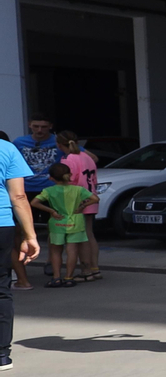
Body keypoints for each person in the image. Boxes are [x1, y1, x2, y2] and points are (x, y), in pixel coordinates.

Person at [1, 135, 42, 371]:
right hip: (2, 223)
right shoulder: (7, 148)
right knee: (1, 288)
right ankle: (1, 355)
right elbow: (18, 196)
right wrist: (30, 236)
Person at [31, 163, 90, 287]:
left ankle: (56, 277)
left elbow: (34, 202)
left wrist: (51, 211)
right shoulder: (78, 189)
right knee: (72, 250)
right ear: (69, 175)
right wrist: (82, 206)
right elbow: (95, 198)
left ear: (51, 178)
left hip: (57, 222)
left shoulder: (49, 190)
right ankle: (69, 277)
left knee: (55, 251)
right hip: (75, 221)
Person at [57, 130, 101, 281]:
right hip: (90, 196)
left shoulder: (68, 159)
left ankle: (86, 270)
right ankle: (94, 268)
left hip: (77, 201)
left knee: (80, 237)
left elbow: (69, 182)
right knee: (90, 234)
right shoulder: (87, 157)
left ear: (59, 144)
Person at [13, 116, 61, 197]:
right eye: (36, 126)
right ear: (29, 125)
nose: (39, 130)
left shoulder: (59, 141)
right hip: (25, 187)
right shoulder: (19, 142)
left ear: (50, 126)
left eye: (44, 127)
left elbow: (81, 154)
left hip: (52, 187)